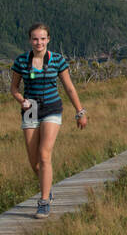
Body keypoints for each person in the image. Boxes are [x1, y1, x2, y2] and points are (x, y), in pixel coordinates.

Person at [10, 23, 86, 219]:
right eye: (35, 39)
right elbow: (14, 89)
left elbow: (69, 88)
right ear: (30, 40)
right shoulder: (21, 61)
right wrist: (22, 101)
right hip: (30, 110)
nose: (39, 42)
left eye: (43, 38)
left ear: (48, 39)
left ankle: (43, 201)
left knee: (44, 155)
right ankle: (47, 187)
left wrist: (80, 111)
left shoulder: (57, 60)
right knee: (34, 162)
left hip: (52, 108)